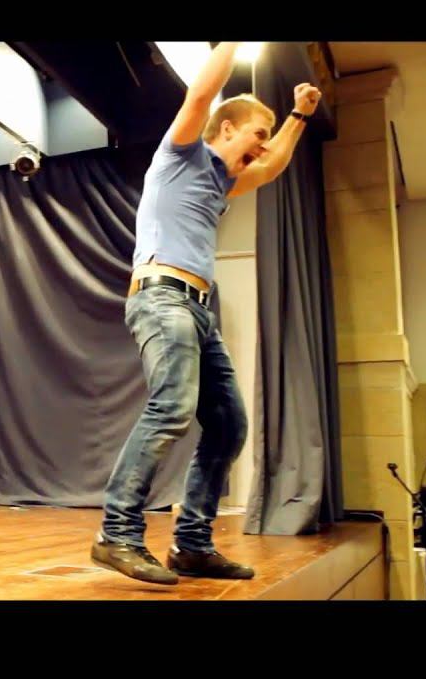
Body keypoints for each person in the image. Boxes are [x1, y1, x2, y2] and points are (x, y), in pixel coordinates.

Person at [92, 42, 321, 584]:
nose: (262, 146)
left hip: (197, 310)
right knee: (172, 407)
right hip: (161, 297)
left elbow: (274, 166)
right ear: (226, 129)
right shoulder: (180, 156)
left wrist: (298, 116)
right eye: (257, 134)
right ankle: (116, 533)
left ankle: (192, 545)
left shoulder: (224, 183)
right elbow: (200, 95)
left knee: (228, 426)